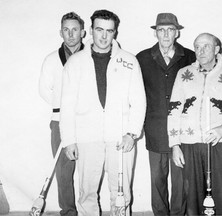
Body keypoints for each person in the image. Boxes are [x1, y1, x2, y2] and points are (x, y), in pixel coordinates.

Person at [59, 9, 146, 216]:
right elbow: (67, 105)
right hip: (87, 138)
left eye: (109, 31)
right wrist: (69, 140)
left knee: (120, 192)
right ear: (90, 30)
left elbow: (139, 101)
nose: (104, 36)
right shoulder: (75, 62)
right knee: (87, 192)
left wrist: (132, 133)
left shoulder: (129, 61)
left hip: (121, 138)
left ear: (115, 32)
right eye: (99, 30)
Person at [168, 33, 222, 215]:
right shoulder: (184, 74)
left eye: (206, 46)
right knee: (193, 199)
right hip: (190, 145)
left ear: (216, 49)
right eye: (197, 46)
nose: (201, 50)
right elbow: (173, 110)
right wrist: (174, 144)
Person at [136, 13, 196, 216]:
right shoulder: (142, 58)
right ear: (156, 33)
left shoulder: (189, 57)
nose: (166, 34)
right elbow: (136, 94)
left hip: (182, 130)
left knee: (181, 182)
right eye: (161, 30)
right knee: (157, 180)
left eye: (170, 29)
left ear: (177, 32)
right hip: (155, 128)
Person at [39, 11, 86, 216]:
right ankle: (68, 211)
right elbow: (43, 90)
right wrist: (65, 107)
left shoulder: (92, 57)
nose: (71, 34)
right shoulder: (51, 60)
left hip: (88, 120)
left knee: (88, 169)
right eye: (66, 30)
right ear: (61, 32)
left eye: (75, 29)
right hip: (60, 121)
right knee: (63, 171)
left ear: (83, 32)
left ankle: (88, 210)